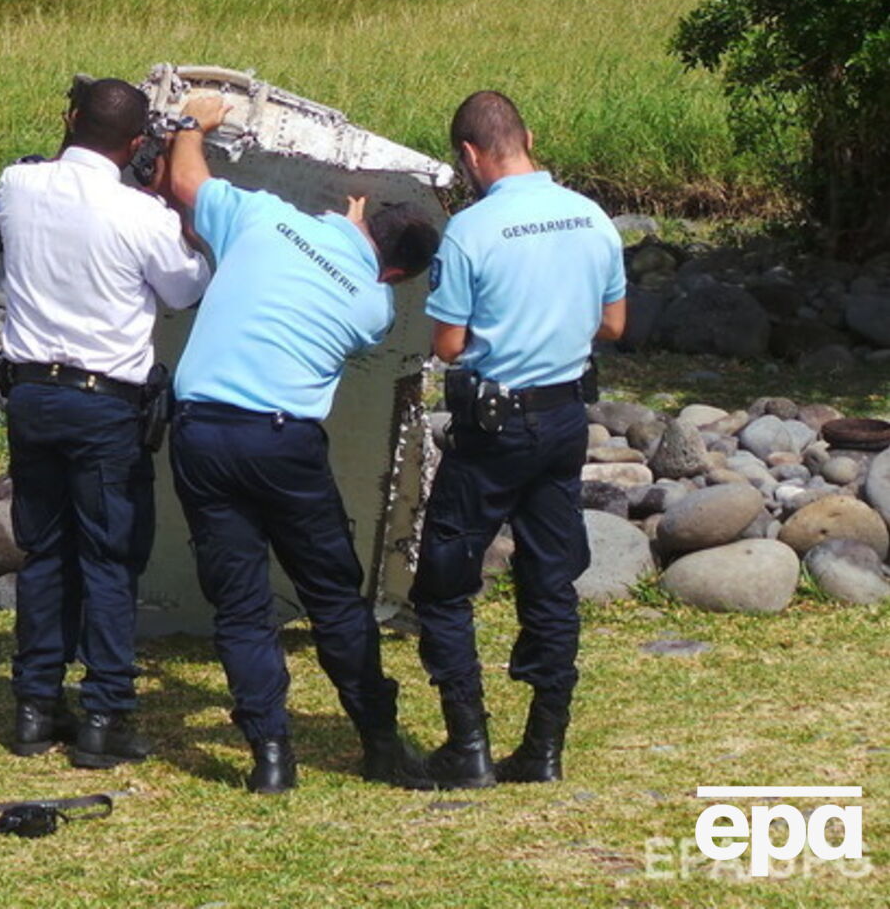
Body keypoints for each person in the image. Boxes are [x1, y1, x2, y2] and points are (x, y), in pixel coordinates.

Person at [165, 94, 441, 794]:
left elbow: (185, 184)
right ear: (400, 273)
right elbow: (354, 278)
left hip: (204, 432)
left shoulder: (263, 217)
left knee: (239, 601)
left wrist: (192, 123)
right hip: (285, 445)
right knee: (333, 596)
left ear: (361, 212)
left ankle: (270, 755)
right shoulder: (373, 304)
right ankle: (378, 740)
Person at [411, 91, 626, 788]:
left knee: (445, 581)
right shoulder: (591, 216)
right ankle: (544, 745)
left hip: (493, 427)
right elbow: (614, 324)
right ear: (528, 137)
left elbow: (447, 343)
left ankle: (467, 745)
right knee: (550, 576)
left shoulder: (472, 231)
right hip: (566, 418)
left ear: (470, 156)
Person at [0, 78, 211, 768]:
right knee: (111, 558)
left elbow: (54, 173)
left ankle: (34, 705)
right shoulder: (139, 215)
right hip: (103, 401)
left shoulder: (16, 186)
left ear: (69, 122)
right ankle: (105, 712)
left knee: (45, 550)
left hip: (31, 393)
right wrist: (176, 205)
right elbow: (186, 287)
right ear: (138, 144)